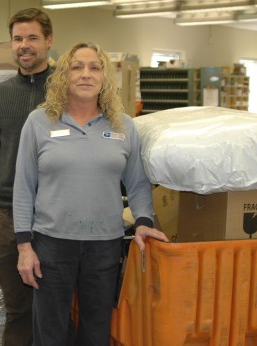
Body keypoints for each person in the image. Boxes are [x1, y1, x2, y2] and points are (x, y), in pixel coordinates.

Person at [12, 42, 169, 345]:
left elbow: (137, 183)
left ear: (105, 77)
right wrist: (24, 247)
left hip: (104, 246)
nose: (86, 74)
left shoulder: (123, 126)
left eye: (95, 67)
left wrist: (143, 222)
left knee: (96, 332)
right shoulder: (39, 122)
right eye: (77, 67)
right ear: (63, 76)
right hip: (52, 245)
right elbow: (24, 186)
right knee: (50, 333)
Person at [0, 7, 54, 346]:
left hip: (55, 214)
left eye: (32, 37)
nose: (24, 45)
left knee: (55, 305)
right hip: (7, 216)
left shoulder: (67, 93)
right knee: (18, 309)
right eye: (18, 39)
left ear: (49, 41)